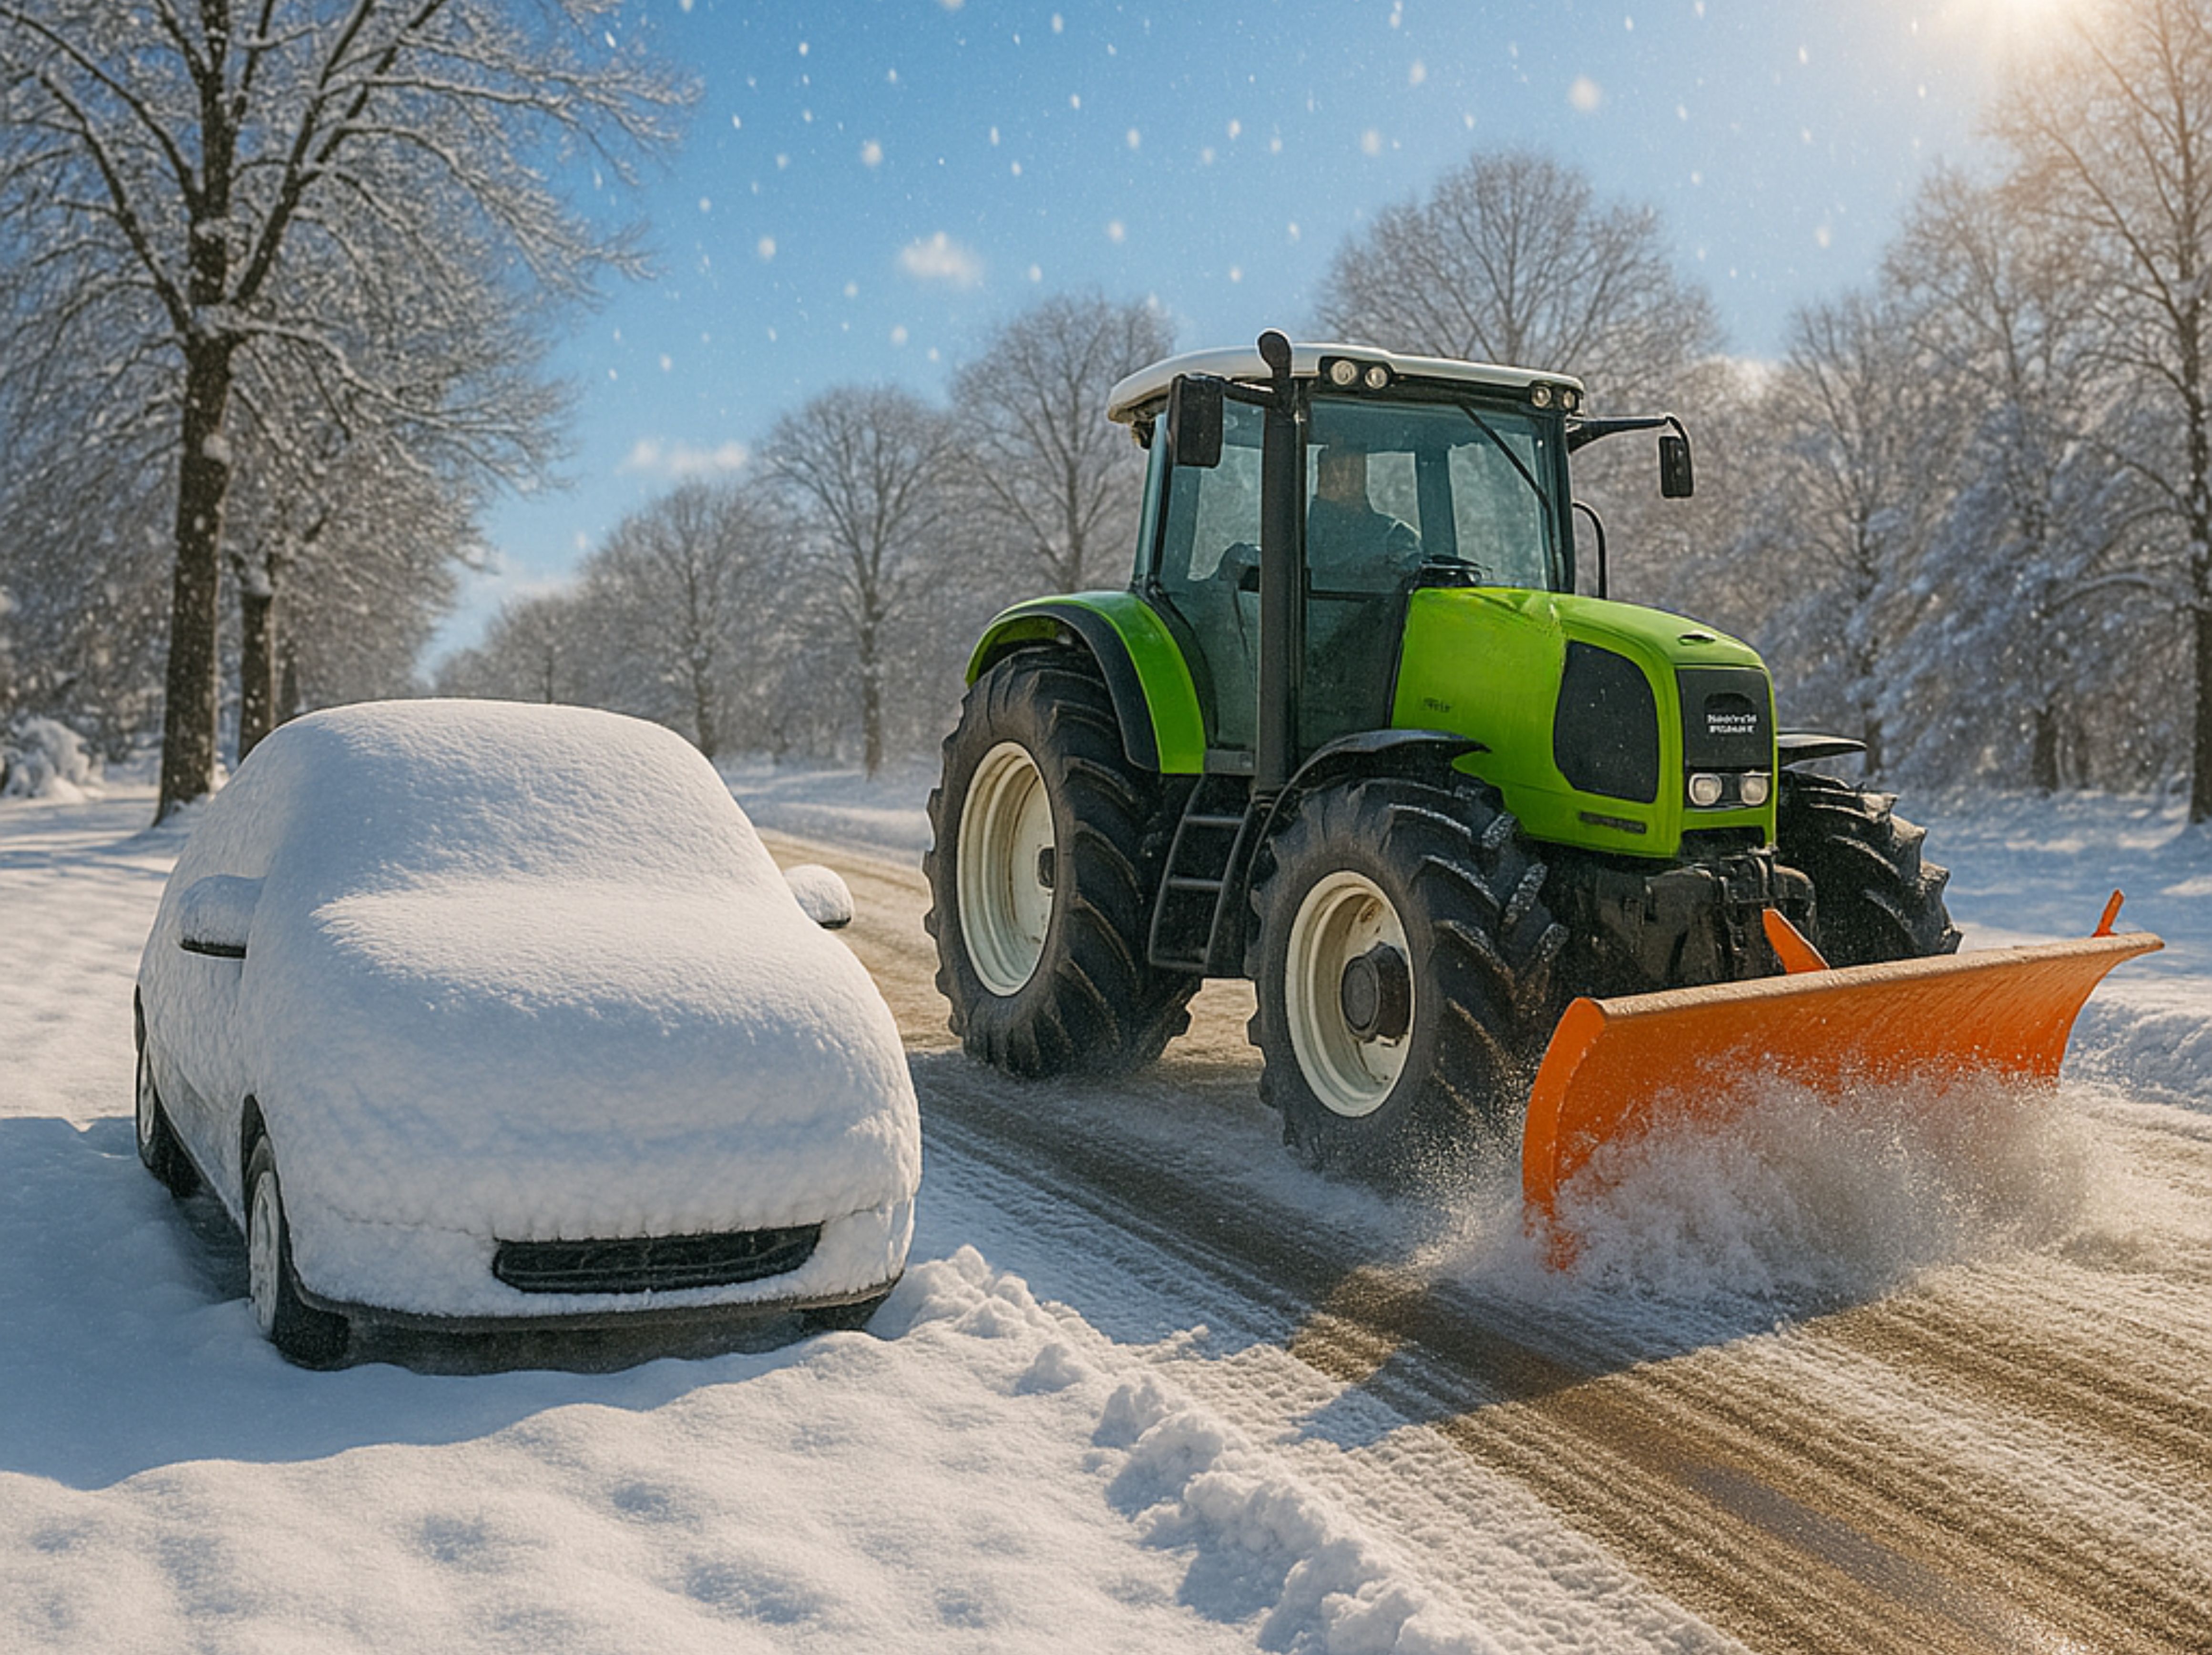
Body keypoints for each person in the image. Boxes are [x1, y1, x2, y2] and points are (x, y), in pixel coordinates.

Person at [1305, 443, 1420, 586]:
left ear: (1364, 475)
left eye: (1353, 470)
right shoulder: (1293, 538)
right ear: (1321, 477)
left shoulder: (1394, 538)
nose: (1342, 478)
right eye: (1333, 471)